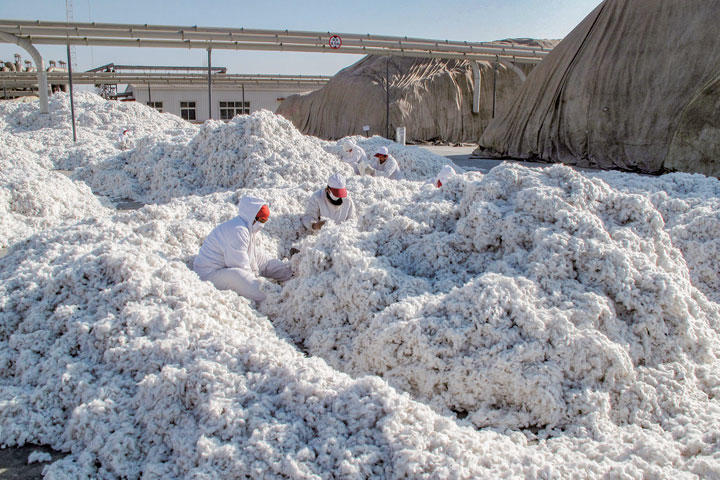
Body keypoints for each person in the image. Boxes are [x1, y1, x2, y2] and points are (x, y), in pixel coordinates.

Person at [193, 195, 292, 303]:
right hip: (209, 274)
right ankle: (275, 298)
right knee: (238, 276)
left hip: (224, 267)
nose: (262, 225)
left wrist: (286, 271)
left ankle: (289, 274)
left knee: (262, 260)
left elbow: (256, 260)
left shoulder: (246, 228)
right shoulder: (238, 231)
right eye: (261, 220)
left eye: (265, 221)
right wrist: (256, 280)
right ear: (251, 217)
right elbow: (240, 266)